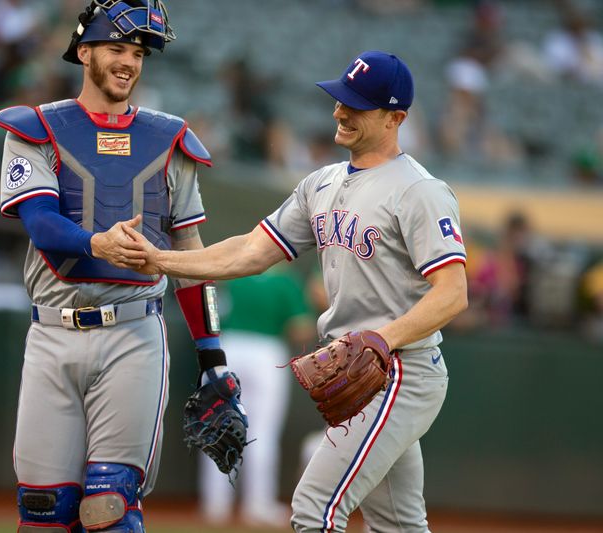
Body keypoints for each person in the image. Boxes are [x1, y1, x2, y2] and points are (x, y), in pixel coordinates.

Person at [117, 50, 469, 532]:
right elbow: (247, 253)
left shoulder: (419, 191)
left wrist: (383, 339)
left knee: (314, 507)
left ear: (395, 118)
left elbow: (452, 294)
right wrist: (160, 259)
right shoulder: (320, 184)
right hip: (364, 369)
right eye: (340, 99)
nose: (339, 112)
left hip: (400, 371)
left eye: (356, 105)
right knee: (401, 526)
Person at [0, 2, 246, 532]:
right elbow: (39, 222)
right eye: (115, 48)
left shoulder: (172, 137)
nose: (128, 62)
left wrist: (212, 355)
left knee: (110, 506)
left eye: (137, 53)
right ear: (83, 52)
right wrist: (97, 243)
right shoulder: (34, 128)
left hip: (132, 331)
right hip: (52, 330)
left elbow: (191, 256)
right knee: (42, 513)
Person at [198, 266, 315, 527]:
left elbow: (209, 313)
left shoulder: (234, 275)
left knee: (219, 427)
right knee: (262, 432)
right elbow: (301, 328)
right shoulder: (285, 282)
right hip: (267, 352)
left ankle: (215, 504)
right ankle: (258, 505)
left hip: (225, 350)